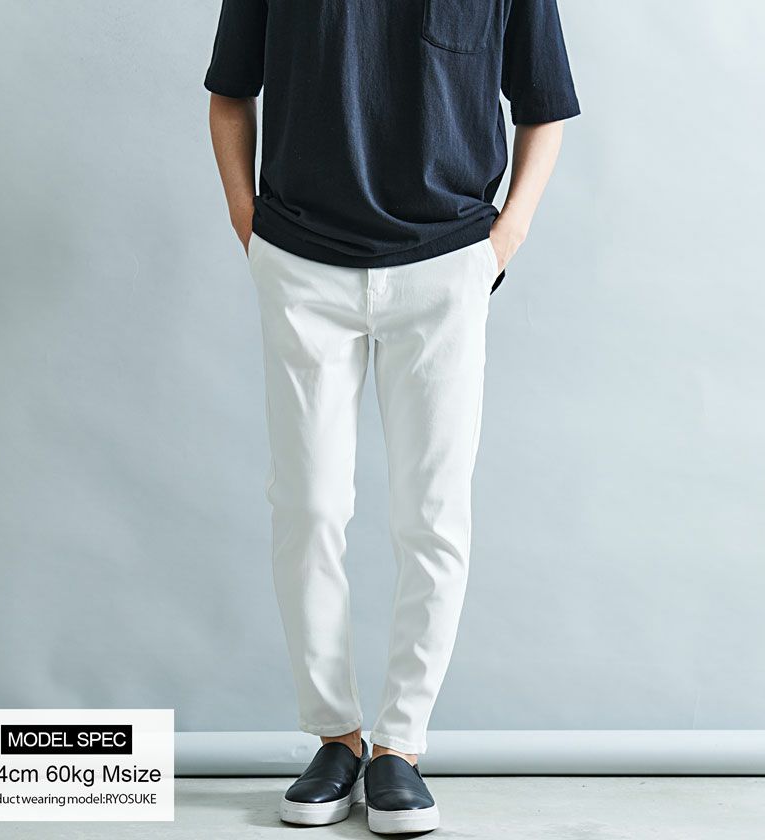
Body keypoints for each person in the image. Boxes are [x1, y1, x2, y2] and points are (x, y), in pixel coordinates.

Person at [204, 0, 580, 832]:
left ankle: (399, 748)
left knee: (433, 516)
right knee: (306, 509)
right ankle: (336, 737)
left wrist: (504, 241)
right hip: (302, 260)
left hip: (446, 263)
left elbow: (545, 104)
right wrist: (249, 225)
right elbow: (230, 92)